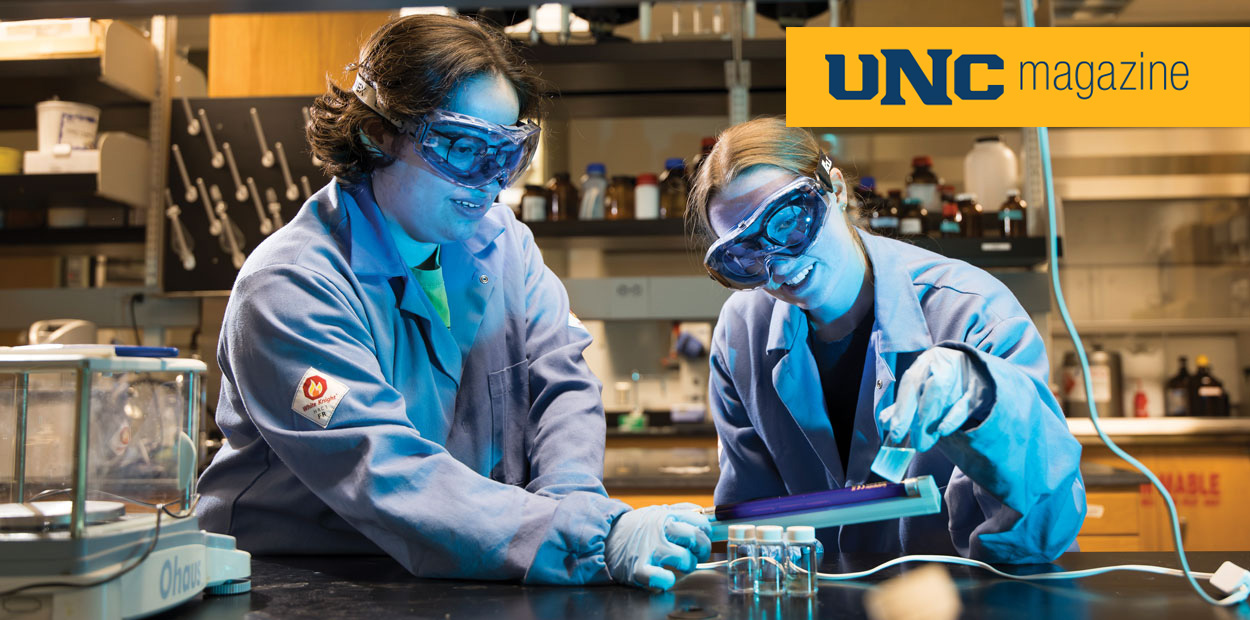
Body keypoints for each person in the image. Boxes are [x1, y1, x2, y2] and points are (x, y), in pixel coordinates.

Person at [196, 15, 709, 590]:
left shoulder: (505, 243)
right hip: (297, 579)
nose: (491, 182)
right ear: (378, 133)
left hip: (468, 565)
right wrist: (579, 537)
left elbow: (561, 384)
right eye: (464, 148)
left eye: (507, 153)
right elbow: (380, 467)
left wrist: (575, 510)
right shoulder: (291, 285)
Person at [688, 118, 1085, 563]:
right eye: (744, 254)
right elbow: (751, 528)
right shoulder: (741, 333)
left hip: (964, 595)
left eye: (788, 223)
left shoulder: (974, 312)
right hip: (819, 596)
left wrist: (989, 410)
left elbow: (1044, 528)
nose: (777, 266)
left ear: (836, 190)